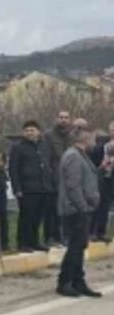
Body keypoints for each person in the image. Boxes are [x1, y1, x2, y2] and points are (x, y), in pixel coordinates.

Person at [57, 125, 102, 298]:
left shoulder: (81, 155)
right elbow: (73, 186)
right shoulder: (73, 156)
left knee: (79, 246)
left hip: (81, 208)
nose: (94, 139)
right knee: (75, 247)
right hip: (74, 209)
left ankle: (78, 281)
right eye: (91, 136)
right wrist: (82, 207)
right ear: (82, 138)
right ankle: (65, 281)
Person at [8, 120, 51, 252]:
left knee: (38, 217)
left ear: (38, 132)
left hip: (42, 187)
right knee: (26, 216)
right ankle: (23, 242)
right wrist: (17, 189)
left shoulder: (43, 145)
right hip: (26, 189)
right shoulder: (18, 147)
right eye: (27, 130)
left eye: (32, 130)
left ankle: (34, 241)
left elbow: (47, 164)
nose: (30, 133)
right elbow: (13, 169)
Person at [42, 111, 72, 246]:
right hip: (53, 178)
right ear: (56, 119)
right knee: (51, 210)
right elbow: (46, 158)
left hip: (68, 178)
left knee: (64, 210)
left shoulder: (70, 136)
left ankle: (62, 236)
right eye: (61, 118)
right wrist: (49, 178)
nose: (63, 120)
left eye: (66, 118)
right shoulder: (49, 135)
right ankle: (50, 237)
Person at [87, 122, 114, 241]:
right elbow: (92, 164)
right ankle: (94, 232)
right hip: (103, 178)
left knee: (106, 206)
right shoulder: (102, 146)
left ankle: (101, 232)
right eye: (112, 130)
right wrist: (101, 167)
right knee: (100, 205)